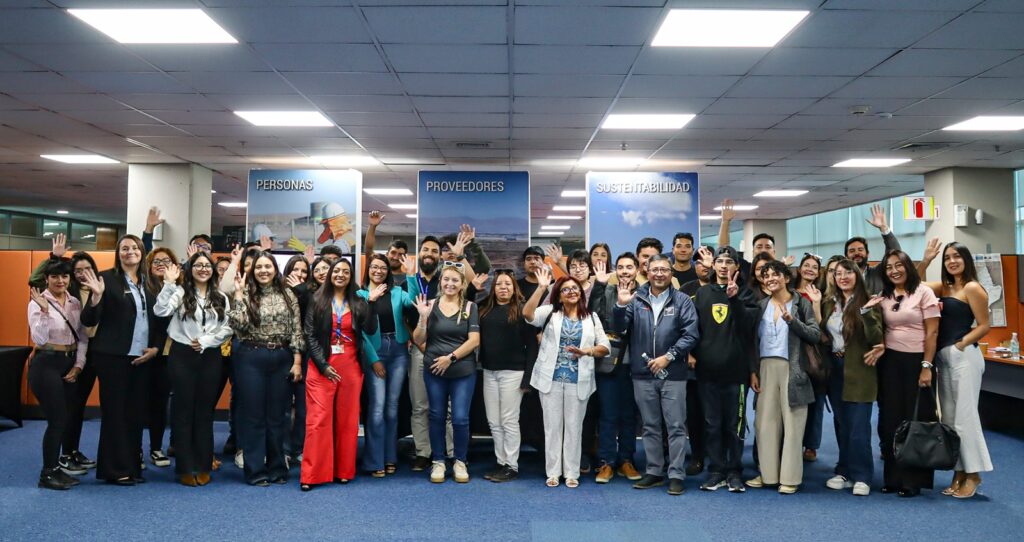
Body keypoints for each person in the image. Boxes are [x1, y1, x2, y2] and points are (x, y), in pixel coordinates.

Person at [613, 254, 699, 496]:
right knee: (650, 426)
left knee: (676, 426)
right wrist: (620, 305)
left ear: (671, 273)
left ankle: (676, 474)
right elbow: (619, 329)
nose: (659, 274)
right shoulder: (636, 298)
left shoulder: (682, 300)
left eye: (664, 270)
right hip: (642, 373)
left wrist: (668, 356)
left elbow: (691, 334)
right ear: (647, 272)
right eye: (655, 270)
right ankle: (654, 471)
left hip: (673, 373)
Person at [79, 235, 160, 485]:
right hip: (113, 356)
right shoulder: (105, 279)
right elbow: (89, 320)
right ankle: (114, 470)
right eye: (124, 248)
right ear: (118, 253)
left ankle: (132, 467)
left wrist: (156, 348)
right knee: (115, 414)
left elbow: (160, 319)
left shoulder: (151, 281)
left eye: (134, 248)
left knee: (135, 414)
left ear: (142, 252)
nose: (130, 252)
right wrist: (95, 297)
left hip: (143, 356)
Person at [917, 239, 993, 499]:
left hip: (964, 358)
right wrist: (926, 259)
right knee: (949, 421)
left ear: (966, 260)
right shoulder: (945, 287)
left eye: (957, 256)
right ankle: (959, 472)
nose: (952, 261)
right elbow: (915, 285)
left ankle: (974, 474)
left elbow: (984, 325)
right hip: (943, 359)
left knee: (965, 419)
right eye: (947, 257)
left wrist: (961, 344)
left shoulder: (972, 287)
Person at [523, 267, 610, 488]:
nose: (571, 291)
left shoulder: (591, 317)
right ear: (559, 296)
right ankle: (553, 472)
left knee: (574, 427)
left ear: (581, 293)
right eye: (566, 289)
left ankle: (571, 472)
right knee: (552, 427)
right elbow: (527, 315)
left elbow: (605, 347)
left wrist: (586, 351)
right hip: (550, 379)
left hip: (578, 380)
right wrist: (541, 288)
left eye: (575, 288)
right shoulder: (550, 312)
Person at [301, 258, 381, 491]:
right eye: (337, 271)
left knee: (347, 421)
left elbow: (371, 329)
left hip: (350, 366)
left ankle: (343, 471)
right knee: (318, 420)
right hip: (322, 366)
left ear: (350, 276)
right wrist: (323, 365)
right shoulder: (317, 300)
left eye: (346, 271)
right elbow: (309, 335)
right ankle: (312, 475)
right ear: (330, 274)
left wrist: (372, 303)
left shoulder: (358, 301)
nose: (340, 275)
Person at [154, 253, 233, 487]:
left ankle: (204, 464)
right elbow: (161, 311)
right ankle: (185, 467)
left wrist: (208, 341)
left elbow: (228, 326)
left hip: (210, 356)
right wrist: (169, 284)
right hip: (182, 355)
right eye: (198, 265)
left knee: (205, 412)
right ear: (190, 269)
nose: (203, 269)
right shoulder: (180, 292)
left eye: (207, 265)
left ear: (213, 270)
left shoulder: (220, 297)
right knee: (183, 410)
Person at [228, 251, 305, 486]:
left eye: (267, 266)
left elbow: (296, 329)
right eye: (259, 267)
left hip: (282, 356)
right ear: (253, 271)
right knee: (253, 415)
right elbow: (238, 325)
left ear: (275, 269)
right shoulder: (245, 293)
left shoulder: (288, 293)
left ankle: (277, 468)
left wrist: (297, 361)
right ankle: (255, 471)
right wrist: (238, 294)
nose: (263, 271)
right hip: (251, 356)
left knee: (278, 416)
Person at [746, 260, 821, 494]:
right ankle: (768, 475)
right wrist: (753, 371)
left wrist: (792, 321)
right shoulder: (760, 305)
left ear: (787, 278)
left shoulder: (801, 303)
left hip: (794, 368)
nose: (770, 279)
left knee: (793, 425)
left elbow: (815, 335)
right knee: (765, 424)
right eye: (766, 275)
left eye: (775, 274)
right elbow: (752, 342)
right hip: (765, 368)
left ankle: (790, 478)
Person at [27, 235, 99, 474]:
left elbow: (82, 337)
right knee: (57, 419)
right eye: (55, 276)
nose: (60, 280)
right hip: (46, 363)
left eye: (64, 276)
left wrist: (78, 365)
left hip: (70, 362)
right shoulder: (38, 301)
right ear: (47, 279)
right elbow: (39, 339)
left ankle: (63, 461)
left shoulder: (74, 302)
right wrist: (44, 312)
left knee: (67, 416)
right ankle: (49, 471)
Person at [691, 247, 759, 493]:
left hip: (736, 373)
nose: (723, 265)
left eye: (729, 261)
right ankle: (716, 470)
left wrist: (734, 299)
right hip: (707, 371)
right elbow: (693, 328)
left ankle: (734, 471)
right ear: (713, 266)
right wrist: (690, 353)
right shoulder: (703, 293)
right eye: (719, 261)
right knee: (711, 424)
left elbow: (749, 327)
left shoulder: (747, 294)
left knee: (735, 425)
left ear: (737, 267)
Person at [875, 249, 939, 498]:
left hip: (917, 361)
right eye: (889, 267)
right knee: (890, 420)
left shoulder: (924, 292)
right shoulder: (884, 295)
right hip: (890, 362)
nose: (894, 271)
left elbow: (932, 332)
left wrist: (927, 366)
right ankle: (892, 478)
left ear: (908, 266)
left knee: (915, 420)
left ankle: (913, 481)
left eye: (898, 265)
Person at [411, 262, 481, 484]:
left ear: (462, 284)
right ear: (440, 281)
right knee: (436, 416)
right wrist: (423, 318)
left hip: (462, 371)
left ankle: (460, 460)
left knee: (460, 418)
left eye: (455, 280)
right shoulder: (429, 305)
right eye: (446, 279)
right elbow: (418, 339)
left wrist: (450, 358)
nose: (450, 284)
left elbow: (474, 341)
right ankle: (438, 461)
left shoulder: (470, 307)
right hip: (434, 371)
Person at [821, 259, 884, 496]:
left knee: (859, 427)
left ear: (857, 275)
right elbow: (823, 333)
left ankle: (863, 475)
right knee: (842, 424)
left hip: (859, 369)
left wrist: (866, 312)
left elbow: (875, 338)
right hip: (835, 369)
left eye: (848, 272)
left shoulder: (868, 302)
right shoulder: (830, 302)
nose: (843, 277)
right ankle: (844, 471)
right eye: (838, 273)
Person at [403, 236, 463, 471]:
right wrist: (418, 343)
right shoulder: (409, 281)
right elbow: (405, 316)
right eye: (425, 249)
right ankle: (423, 452)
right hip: (419, 349)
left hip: (444, 351)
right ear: (419, 253)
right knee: (420, 405)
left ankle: (450, 452)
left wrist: (459, 255)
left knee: (446, 407)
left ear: (440, 256)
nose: (429, 253)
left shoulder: (446, 279)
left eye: (434, 251)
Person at [359, 254, 415, 478]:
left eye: (383, 268)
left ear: (388, 272)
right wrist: (374, 360)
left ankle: (390, 457)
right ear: (368, 270)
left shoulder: (398, 292)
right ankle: (374, 460)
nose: (378, 271)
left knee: (392, 408)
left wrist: (411, 275)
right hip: (375, 351)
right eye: (374, 267)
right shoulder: (360, 295)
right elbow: (361, 331)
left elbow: (414, 302)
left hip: (399, 351)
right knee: (377, 408)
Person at [478, 269, 533, 483]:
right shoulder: (484, 309)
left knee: (509, 420)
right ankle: (501, 462)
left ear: (514, 288)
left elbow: (532, 347)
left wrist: (528, 377)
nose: (503, 287)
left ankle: (512, 465)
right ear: (493, 288)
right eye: (499, 284)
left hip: (514, 372)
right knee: (494, 421)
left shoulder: (521, 310)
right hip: (489, 371)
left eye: (508, 284)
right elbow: (466, 302)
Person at [595, 252, 642, 484]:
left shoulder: (645, 293)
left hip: (638, 365)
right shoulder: (606, 291)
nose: (624, 271)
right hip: (610, 364)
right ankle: (606, 462)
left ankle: (626, 460)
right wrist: (600, 286)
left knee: (629, 416)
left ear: (637, 270)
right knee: (608, 414)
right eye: (620, 267)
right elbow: (598, 319)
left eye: (629, 267)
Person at [143, 247, 177, 469]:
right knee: (137, 403)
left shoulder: (178, 289)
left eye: (166, 260)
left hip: (166, 353)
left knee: (159, 403)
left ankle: (156, 448)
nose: (161, 264)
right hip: (141, 351)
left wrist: (157, 346)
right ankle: (135, 449)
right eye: (156, 261)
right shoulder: (142, 287)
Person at [791, 253, 826, 463]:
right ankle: (793, 442)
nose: (810, 269)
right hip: (791, 350)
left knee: (816, 400)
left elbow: (819, 327)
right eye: (806, 265)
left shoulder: (822, 295)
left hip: (812, 352)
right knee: (794, 400)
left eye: (814, 267)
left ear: (819, 273)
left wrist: (816, 303)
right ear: (799, 269)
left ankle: (811, 444)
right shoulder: (789, 292)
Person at [282, 254, 312, 466]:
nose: (300, 274)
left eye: (304, 271)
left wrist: (301, 290)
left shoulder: (311, 294)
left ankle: (299, 447)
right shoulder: (278, 292)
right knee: (283, 407)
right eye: (296, 270)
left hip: (306, 355)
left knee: (303, 408)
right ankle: (283, 449)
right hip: (282, 354)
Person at [845, 203, 903, 294]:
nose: (856, 253)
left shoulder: (879, 272)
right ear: (846, 256)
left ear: (868, 254)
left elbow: (894, 254)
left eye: (860, 250)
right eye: (852, 251)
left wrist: (884, 228)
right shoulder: (842, 278)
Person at [362, 210, 410, 288]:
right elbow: (368, 249)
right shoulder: (376, 272)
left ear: (405, 257)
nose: (396, 257)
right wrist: (372, 226)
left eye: (400, 254)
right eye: (393, 252)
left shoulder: (408, 279)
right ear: (387, 254)